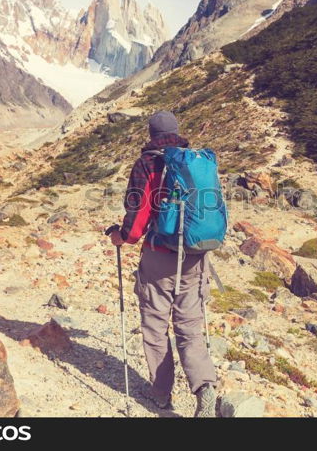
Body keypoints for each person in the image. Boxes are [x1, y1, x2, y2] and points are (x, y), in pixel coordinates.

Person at [107, 110, 218, 417]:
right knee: (190, 329)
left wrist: (123, 237)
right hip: (195, 257)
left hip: (159, 257)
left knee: (155, 328)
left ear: (151, 133)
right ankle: (204, 386)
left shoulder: (148, 163)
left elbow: (138, 214)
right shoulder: (194, 162)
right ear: (177, 131)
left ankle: (160, 394)